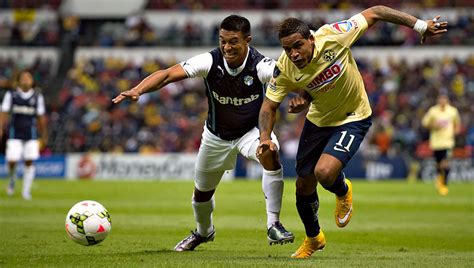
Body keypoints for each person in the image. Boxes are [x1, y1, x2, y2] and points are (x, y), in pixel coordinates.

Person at [257, 5, 448, 259]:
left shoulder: (333, 36)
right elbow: (269, 106)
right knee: (303, 185)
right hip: (318, 121)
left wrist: (420, 26)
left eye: (298, 46)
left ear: (311, 39)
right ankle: (314, 239)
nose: (293, 54)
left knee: (324, 173)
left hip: (353, 117)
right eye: (287, 49)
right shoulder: (285, 69)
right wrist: (265, 138)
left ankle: (342, 190)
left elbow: (376, 11)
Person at [113, 15, 308, 251]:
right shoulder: (209, 61)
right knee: (201, 194)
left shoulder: (260, 64)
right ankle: (204, 232)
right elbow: (166, 75)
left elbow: (291, 79)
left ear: (248, 40)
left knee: (270, 153)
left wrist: (305, 96)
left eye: (233, 41)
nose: (227, 47)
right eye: (223, 41)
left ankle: (273, 224)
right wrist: (137, 90)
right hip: (215, 136)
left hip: (250, 132)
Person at [0, 70, 47, 200]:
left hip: (31, 135)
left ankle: (26, 191)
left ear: (32, 80)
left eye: (28, 77)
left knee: (29, 161)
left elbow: (41, 118)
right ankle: (11, 180)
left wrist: (44, 135)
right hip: (14, 134)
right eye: (23, 78)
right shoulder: (12, 95)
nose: (26, 80)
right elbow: (3, 112)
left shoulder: (37, 97)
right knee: (12, 160)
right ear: (19, 80)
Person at [422, 94, 461, 196]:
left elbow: (457, 124)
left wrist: (455, 132)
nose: (442, 101)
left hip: (448, 142)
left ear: (447, 100)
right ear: (438, 100)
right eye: (440, 99)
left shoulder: (452, 111)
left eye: (444, 99)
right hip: (436, 142)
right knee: (439, 164)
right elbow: (425, 123)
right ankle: (440, 178)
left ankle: (444, 185)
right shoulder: (433, 111)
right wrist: (433, 125)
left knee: (446, 162)